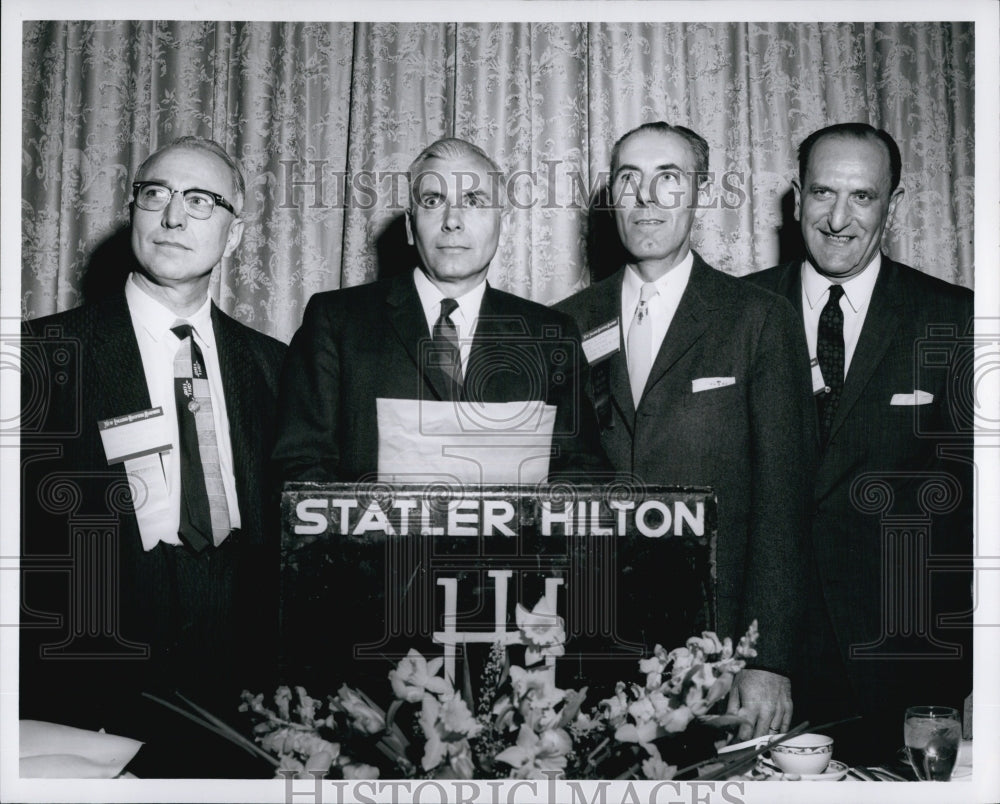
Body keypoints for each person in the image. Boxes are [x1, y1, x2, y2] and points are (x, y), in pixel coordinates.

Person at [20, 136, 286, 776]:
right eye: (155, 195)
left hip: (244, 718)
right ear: (133, 208)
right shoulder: (41, 356)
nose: (173, 217)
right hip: (85, 718)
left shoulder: (276, 367)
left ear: (235, 232)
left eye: (200, 200)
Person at [556, 122, 815, 740]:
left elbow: (783, 501)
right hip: (593, 647)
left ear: (698, 193)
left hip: (718, 655)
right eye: (629, 179)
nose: (646, 198)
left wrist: (767, 659)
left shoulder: (758, 319)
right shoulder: (565, 322)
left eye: (667, 178)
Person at [746, 123, 973, 763]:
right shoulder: (739, 309)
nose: (838, 218)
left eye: (862, 198)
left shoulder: (956, 321)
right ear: (796, 200)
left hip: (907, 671)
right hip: (768, 674)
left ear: (894, 205)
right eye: (822, 193)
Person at [272, 137, 608, 484]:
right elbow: (300, 468)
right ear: (408, 226)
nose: (452, 221)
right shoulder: (336, 321)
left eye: (474, 201)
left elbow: (582, 477)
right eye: (433, 201)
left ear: (503, 226)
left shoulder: (551, 336)